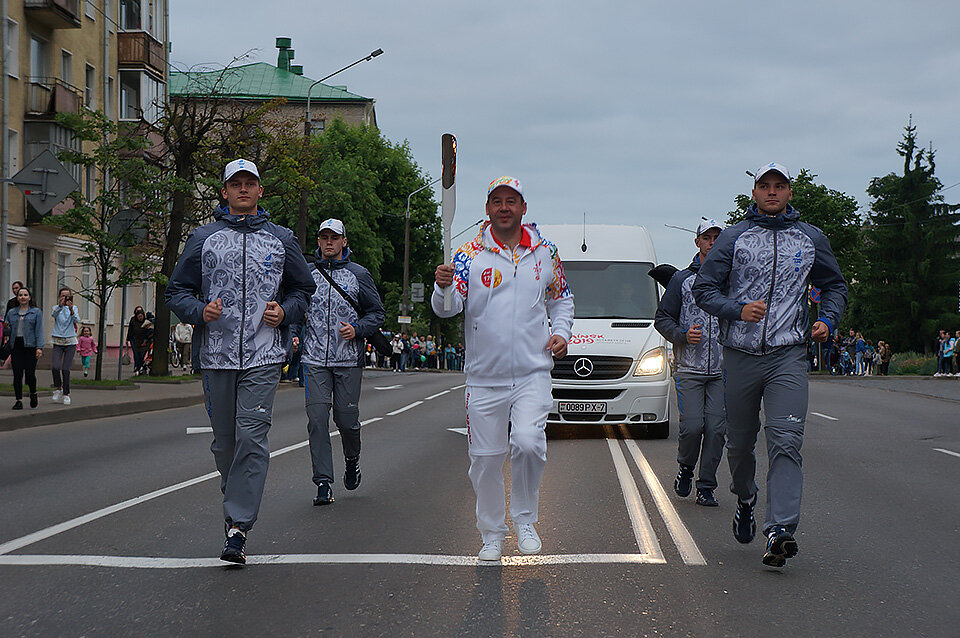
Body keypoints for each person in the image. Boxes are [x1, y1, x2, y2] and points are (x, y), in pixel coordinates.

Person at [692, 163, 847, 568]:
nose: (773, 192)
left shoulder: (810, 238)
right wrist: (737, 309)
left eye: (780, 186)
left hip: (788, 355)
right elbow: (704, 288)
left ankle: (780, 529)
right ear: (755, 193)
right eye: (765, 186)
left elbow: (835, 286)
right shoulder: (734, 238)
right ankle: (746, 496)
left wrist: (826, 320)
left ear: (790, 193)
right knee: (740, 445)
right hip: (740, 356)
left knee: (787, 440)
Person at [165, 158, 314, 564]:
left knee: (252, 436)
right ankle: (236, 497)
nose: (243, 189)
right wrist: (199, 312)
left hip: (264, 354)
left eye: (250, 183)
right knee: (225, 444)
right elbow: (176, 291)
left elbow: (304, 288)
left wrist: (285, 312)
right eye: (236, 184)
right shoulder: (203, 237)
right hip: (217, 354)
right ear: (225, 191)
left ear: (260, 191)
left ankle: (237, 527)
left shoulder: (281, 239)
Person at [433, 176, 574, 561]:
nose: (504, 207)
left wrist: (561, 332)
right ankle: (492, 534)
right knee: (485, 460)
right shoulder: (467, 255)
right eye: (497, 201)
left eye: (512, 201)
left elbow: (561, 299)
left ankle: (525, 520)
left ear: (524, 208)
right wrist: (441, 288)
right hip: (484, 377)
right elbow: (448, 310)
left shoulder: (546, 253)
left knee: (528, 444)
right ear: (488, 208)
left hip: (532, 372)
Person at [297, 218, 385, 506]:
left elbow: (376, 314)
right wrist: (293, 334)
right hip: (313, 359)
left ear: (344, 241)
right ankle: (323, 482)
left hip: (348, 360)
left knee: (346, 421)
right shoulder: (306, 274)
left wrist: (357, 329)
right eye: (324, 238)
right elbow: (295, 306)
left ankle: (352, 459)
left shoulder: (358, 274)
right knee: (317, 420)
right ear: (319, 241)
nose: (329, 242)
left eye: (334, 238)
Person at [654, 219, 726, 507]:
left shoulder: (730, 280)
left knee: (717, 429)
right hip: (690, 369)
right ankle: (685, 467)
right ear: (697, 242)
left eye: (716, 237)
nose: (711, 242)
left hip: (723, 370)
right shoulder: (682, 280)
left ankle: (706, 485)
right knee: (693, 427)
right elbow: (662, 319)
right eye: (706, 238)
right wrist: (682, 335)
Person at [4, 286, 43, 409]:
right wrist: (6, 328)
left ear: (29, 297)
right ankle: (18, 400)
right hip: (16, 345)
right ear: (17, 297)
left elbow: (39, 330)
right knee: (17, 374)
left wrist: (39, 347)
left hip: (30, 345)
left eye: (25, 295)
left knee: (30, 374)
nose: (23, 297)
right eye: (20, 295)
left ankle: (33, 393)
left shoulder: (36, 312)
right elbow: (8, 331)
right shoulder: (12, 312)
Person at [50, 287, 81, 405]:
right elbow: (54, 314)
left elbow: (77, 320)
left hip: (70, 342)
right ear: (59, 297)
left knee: (66, 369)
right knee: (55, 367)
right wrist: (60, 305)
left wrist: (71, 309)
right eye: (62, 296)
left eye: (67, 296)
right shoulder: (56, 308)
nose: (65, 298)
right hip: (58, 341)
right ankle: (58, 388)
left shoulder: (74, 308)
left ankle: (66, 394)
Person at [126, 307, 149, 373]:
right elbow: (130, 329)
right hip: (134, 340)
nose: (140, 318)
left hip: (143, 341)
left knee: (142, 355)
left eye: (141, 316)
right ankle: (137, 367)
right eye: (139, 316)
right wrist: (127, 339)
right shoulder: (133, 320)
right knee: (136, 354)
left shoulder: (146, 321)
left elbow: (148, 331)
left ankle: (139, 367)